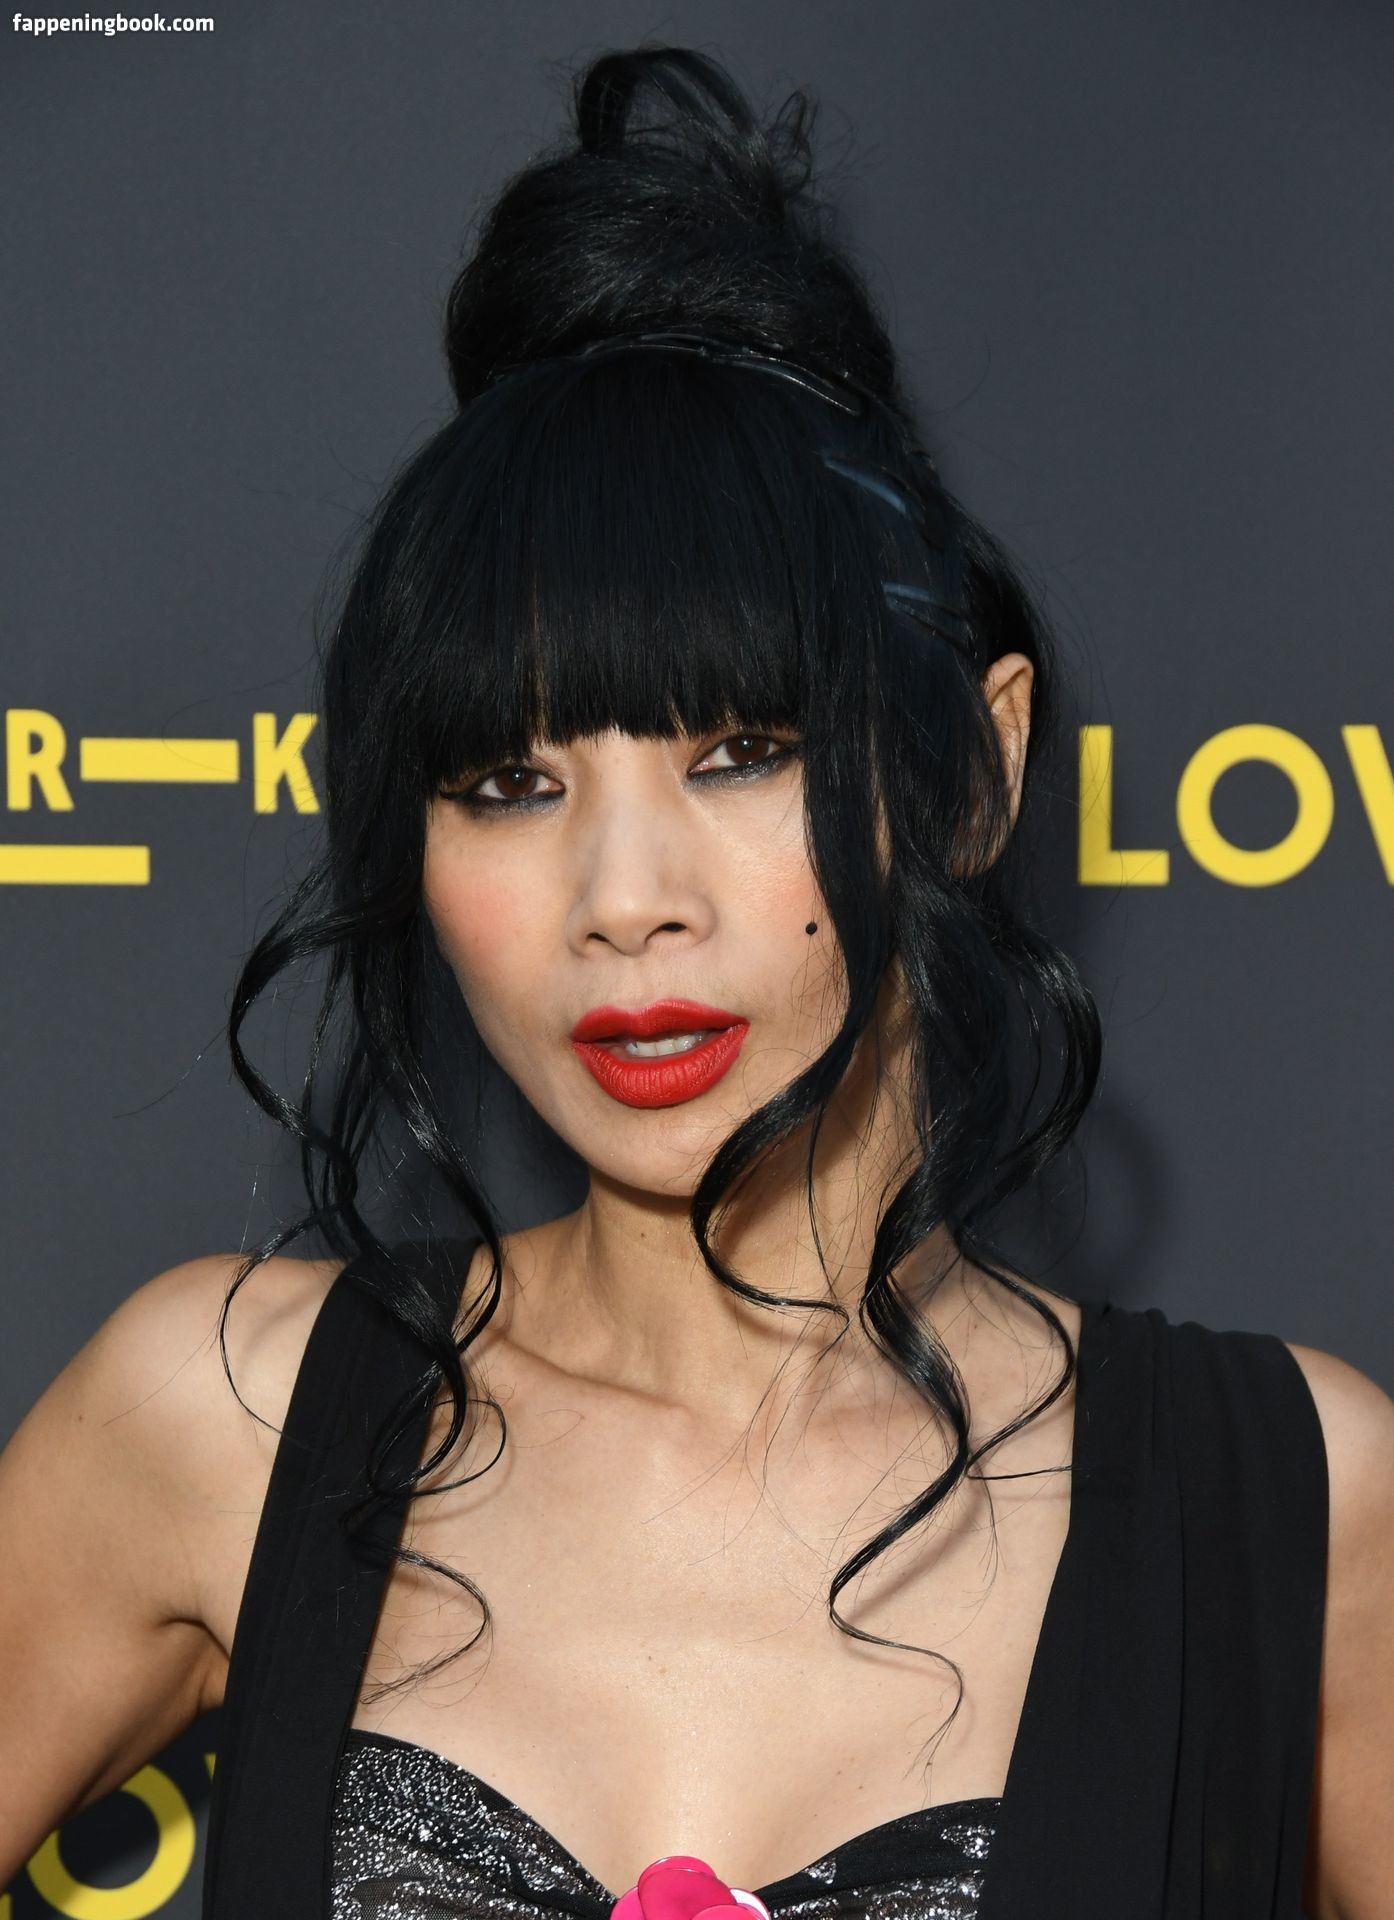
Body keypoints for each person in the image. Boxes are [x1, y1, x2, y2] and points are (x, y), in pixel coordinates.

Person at [0, 42, 1389, 1920]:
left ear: (969, 774)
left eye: (739, 752)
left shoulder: (1295, 1505)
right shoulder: (219, 1416)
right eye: (508, 785)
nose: (621, 902)